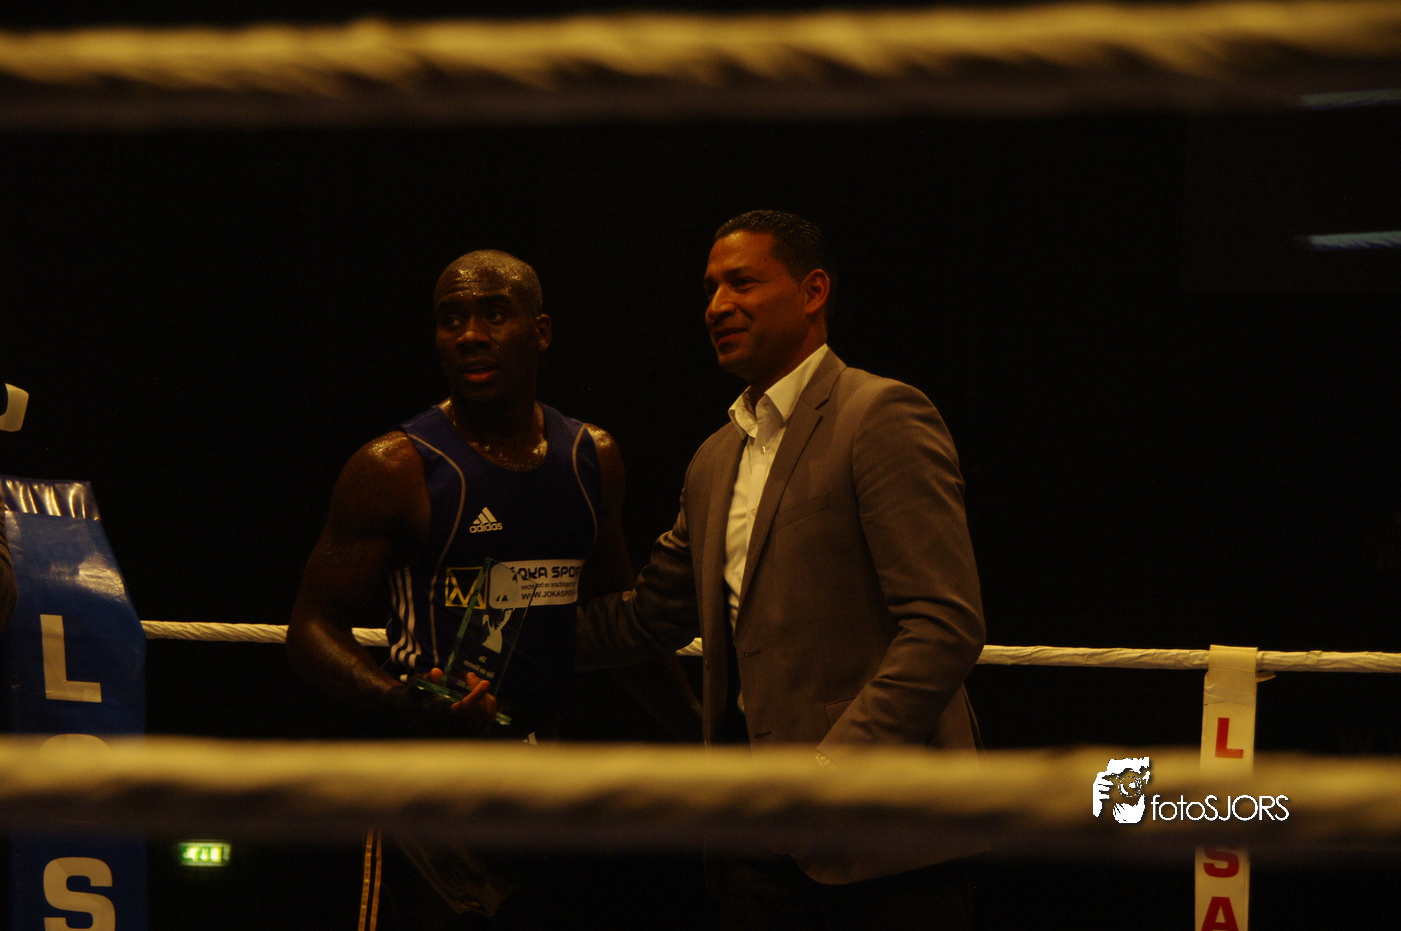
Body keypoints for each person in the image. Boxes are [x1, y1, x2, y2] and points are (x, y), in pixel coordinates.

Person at [576, 211, 985, 930]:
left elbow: (944, 626)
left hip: (890, 838)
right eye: (709, 288)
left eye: (741, 282)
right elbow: (648, 616)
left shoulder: (879, 414)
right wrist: (503, 639)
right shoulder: (713, 460)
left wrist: (829, 771)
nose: (716, 305)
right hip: (758, 840)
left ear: (812, 291)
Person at [287, 249, 674, 929]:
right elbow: (311, 627)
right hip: (428, 790)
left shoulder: (592, 458)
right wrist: (395, 696)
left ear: (540, 331)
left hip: (550, 778)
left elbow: (619, 624)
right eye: (452, 319)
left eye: (494, 314)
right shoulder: (394, 467)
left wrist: (709, 738)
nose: (470, 335)